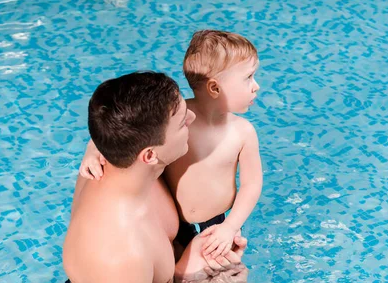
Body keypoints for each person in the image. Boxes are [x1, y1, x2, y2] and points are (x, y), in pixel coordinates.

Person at [59, 72, 306, 283]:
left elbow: (112, 116)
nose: (191, 116)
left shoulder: (116, 154)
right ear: (149, 154)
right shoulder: (119, 252)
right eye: (180, 121)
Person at [80, 30, 262, 261]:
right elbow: (122, 124)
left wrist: (231, 226)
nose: (256, 86)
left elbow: (251, 184)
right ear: (215, 88)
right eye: (248, 77)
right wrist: (93, 149)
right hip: (174, 223)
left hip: (218, 223)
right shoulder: (175, 117)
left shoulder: (243, 132)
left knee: (218, 277)